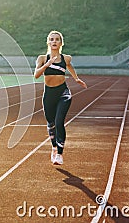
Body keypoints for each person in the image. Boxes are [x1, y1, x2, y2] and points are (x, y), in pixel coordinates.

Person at [34, 30, 87, 165]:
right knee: (51, 124)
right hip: (49, 95)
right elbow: (36, 75)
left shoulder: (66, 58)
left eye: (57, 39)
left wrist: (76, 79)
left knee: (59, 122)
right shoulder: (42, 58)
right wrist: (47, 64)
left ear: (61, 43)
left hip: (63, 93)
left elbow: (69, 66)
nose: (54, 42)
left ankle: (59, 154)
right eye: (51, 39)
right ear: (48, 42)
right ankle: (53, 147)